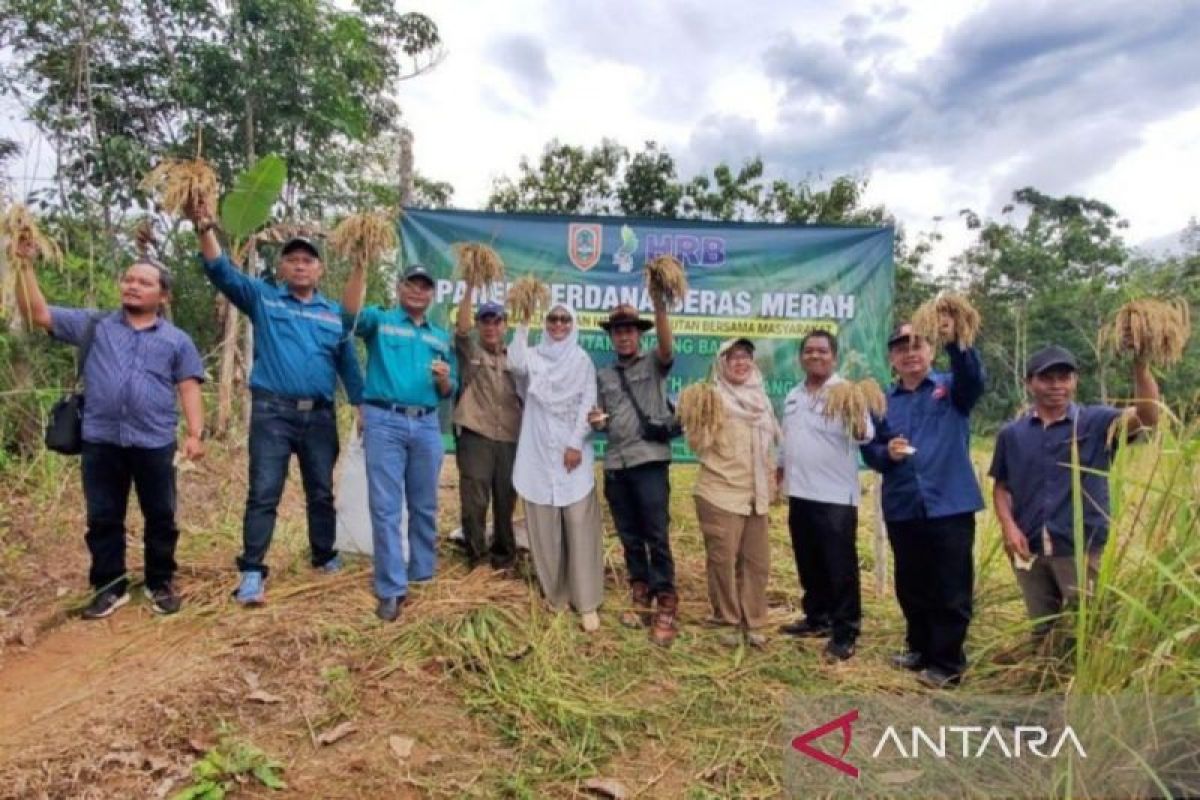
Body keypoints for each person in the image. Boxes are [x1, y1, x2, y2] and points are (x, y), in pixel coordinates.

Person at [14, 246, 205, 618]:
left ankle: (159, 582)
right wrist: (25, 266)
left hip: (155, 441)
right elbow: (37, 313)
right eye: (129, 279)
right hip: (101, 440)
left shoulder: (177, 340)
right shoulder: (93, 325)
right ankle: (109, 586)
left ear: (162, 295)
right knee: (103, 516)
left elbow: (188, 387)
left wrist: (196, 433)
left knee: (161, 515)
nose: (133, 286)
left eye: (144, 282)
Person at [187, 205, 364, 605]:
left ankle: (324, 556)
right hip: (273, 414)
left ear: (319, 270)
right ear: (282, 268)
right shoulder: (265, 300)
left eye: (308, 261)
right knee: (264, 492)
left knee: (320, 491)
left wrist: (360, 404)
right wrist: (204, 230)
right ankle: (252, 571)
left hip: (319, 416)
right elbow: (222, 273)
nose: (300, 266)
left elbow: (347, 363)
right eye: (293, 260)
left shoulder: (333, 313)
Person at [989, 345, 1158, 647]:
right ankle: (1044, 681)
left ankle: (1081, 687)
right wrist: (1009, 527)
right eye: (1047, 378)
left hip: (1081, 545)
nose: (1056, 386)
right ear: (1030, 383)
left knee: (1086, 628)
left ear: (1075, 381)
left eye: (1064, 378)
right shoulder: (1012, 434)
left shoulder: (1096, 423)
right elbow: (1002, 486)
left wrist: (1140, 367)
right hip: (1031, 547)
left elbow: (1147, 417)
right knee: (1042, 628)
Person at [862, 321, 985, 688]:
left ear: (931, 351)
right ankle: (918, 648)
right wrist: (889, 453)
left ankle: (947, 663)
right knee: (912, 582)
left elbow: (973, 377)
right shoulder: (882, 401)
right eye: (901, 348)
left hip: (949, 504)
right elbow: (870, 450)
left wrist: (958, 341)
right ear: (892, 359)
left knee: (951, 585)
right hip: (903, 505)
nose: (910, 353)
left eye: (918, 345)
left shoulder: (952, 390)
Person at [343, 262, 457, 622]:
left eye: (425, 286)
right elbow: (349, 317)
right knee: (386, 508)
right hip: (384, 421)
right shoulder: (380, 320)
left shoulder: (440, 336)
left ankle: (422, 574)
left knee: (425, 505)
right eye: (411, 284)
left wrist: (443, 380)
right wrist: (361, 265)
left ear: (432, 294)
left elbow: (447, 390)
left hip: (426, 424)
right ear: (399, 287)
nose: (417, 291)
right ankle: (391, 588)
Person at [777, 330, 873, 661]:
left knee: (839, 566)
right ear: (801, 358)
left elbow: (864, 435)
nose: (815, 356)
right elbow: (785, 440)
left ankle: (845, 631)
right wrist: (779, 471)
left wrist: (857, 413)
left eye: (822, 351)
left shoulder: (846, 393)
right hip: (799, 492)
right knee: (809, 561)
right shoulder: (793, 395)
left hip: (834, 497)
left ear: (833, 357)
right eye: (808, 351)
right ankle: (817, 617)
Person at [589, 300, 679, 647]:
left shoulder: (654, 363)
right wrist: (596, 421)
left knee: (656, 534)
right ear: (611, 337)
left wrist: (659, 307)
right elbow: (599, 418)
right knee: (629, 536)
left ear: (639, 335)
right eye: (618, 331)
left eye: (629, 330)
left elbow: (668, 347)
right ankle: (640, 593)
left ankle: (667, 602)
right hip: (616, 463)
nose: (623, 336)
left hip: (650, 461)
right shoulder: (604, 376)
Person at [510, 304, 604, 632]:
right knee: (544, 528)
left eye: (565, 319)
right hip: (537, 454)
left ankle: (587, 601)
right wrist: (523, 321)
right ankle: (556, 596)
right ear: (545, 323)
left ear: (573, 323)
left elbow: (588, 401)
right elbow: (515, 363)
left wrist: (576, 443)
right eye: (553, 319)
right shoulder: (533, 356)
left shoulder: (581, 361)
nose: (559, 324)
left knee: (579, 524)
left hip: (572, 455)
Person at [692, 338, 779, 649]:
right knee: (723, 560)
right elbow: (698, 445)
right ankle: (726, 619)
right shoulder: (713, 398)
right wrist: (701, 414)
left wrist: (773, 480)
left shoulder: (762, 400)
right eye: (733, 358)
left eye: (745, 357)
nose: (741, 363)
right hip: (720, 491)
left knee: (757, 563)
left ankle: (754, 621)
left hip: (756, 495)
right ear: (722, 363)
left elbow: (772, 445)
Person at [452, 275, 521, 571]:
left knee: (505, 500)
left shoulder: (517, 359)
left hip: (509, 437)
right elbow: (462, 329)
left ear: (505, 325)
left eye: (497, 321)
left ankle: (505, 558)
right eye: (486, 322)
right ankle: (477, 558)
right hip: (476, 435)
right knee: (475, 500)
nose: (491, 327)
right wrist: (469, 285)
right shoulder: (471, 353)